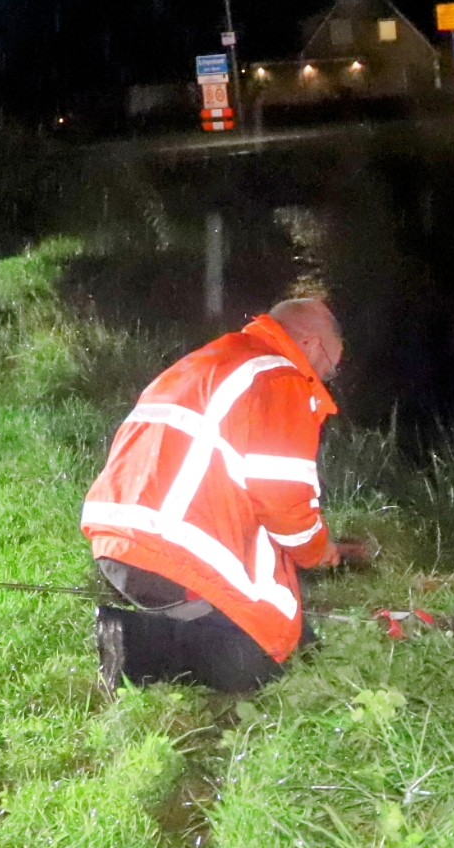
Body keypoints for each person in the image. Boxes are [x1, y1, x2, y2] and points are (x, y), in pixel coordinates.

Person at [81, 296, 366, 695]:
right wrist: (319, 552)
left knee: (296, 642)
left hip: (120, 535)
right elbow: (283, 501)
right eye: (330, 369)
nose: (325, 378)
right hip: (169, 550)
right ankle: (135, 645)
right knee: (260, 664)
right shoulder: (281, 377)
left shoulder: (215, 359)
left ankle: (179, 627)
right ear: (312, 344)